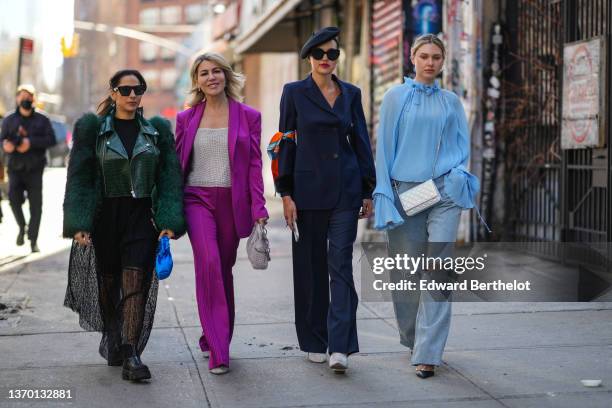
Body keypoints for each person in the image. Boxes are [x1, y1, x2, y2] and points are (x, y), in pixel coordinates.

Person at [63, 69, 186, 382]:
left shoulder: (157, 131)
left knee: (135, 282)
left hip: (140, 216)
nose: (133, 95)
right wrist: (79, 221)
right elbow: (79, 176)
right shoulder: (92, 130)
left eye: (138, 90)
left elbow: (169, 177)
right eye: (126, 90)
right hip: (105, 215)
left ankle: (132, 353)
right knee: (106, 284)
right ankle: (115, 335)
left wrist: (169, 219)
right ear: (114, 93)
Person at [373, 34, 482, 378]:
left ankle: (428, 352)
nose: (430, 62)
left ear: (442, 60)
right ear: (413, 58)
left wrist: (458, 177)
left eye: (436, 56)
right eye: (424, 56)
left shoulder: (451, 102)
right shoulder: (394, 98)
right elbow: (384, 151)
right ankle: (412, 338)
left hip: (443, 193)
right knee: (405, 273)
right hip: (408, 191)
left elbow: (463, 148)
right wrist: (384, 195)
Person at [275, 27, 376, 373]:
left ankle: (341, 346)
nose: (326, 60)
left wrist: (367, 189)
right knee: (310, 270)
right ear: (309, 58)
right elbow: (284, 143)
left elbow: (361, 140)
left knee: (341, 267)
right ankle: (315, 340)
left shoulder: (351, 93)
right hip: (306, 194)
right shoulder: (294, 93)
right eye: (319, 55)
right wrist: (285, 191)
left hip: (345, 192)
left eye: (332, 54)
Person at [175, 53, 268, 375]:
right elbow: (176, 167)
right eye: (204, 73)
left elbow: (255, 165)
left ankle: (214, 334)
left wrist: (259, 207)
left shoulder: (248, 116)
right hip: (196, 199)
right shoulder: (186, 119)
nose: (211, 77)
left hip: (232, 202)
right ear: (197, 81)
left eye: (217, 71)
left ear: (226, 76)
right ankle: (219, 350)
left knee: (223, 270)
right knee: (209, 265)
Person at [1, 84, 56, 252]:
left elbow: (52, 140)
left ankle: (33, 240)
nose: (25, 100)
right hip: (15, 167)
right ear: (17, 98)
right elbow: (1, 140)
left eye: (29, 97)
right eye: (22, 96)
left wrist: (30, 143)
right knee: (13, 200)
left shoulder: (43, 119)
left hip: (35, 168)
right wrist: (5, 146)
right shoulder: (9, 120)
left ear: (34, 99)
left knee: (36, 206)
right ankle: (21, 226)